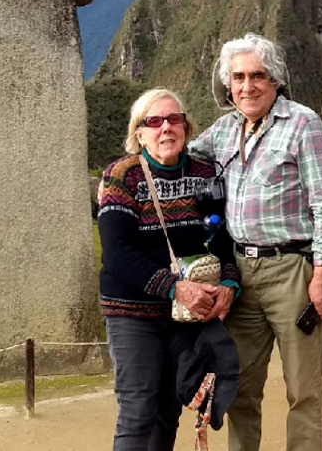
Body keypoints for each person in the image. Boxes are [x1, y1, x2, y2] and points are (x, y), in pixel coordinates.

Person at [189, 34, 322, 451]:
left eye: (257, 75)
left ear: (274, 79)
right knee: (239, 387)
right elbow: (177, 156)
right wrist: (129, 171)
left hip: (293, 270)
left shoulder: (302, 124)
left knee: (303, 389)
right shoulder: (223, 130)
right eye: (238, 77)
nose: (247, 86)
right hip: (239, 274)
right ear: (227, 83)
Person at [98, 88, 242, 451]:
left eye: (173, 119)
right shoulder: (122, 177)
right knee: (137, 409)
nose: (165, 128)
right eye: (154, 121)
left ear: (186, 127)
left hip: (186, 317)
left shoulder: (204, 174)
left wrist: (229, 282)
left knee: (168, 408)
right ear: (139, 133)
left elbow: (224, 237)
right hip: (133, 310)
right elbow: (117, 253)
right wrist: (175, 288)